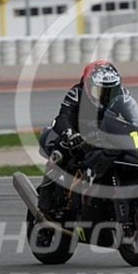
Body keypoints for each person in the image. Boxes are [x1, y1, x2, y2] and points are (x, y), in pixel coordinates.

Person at [37, 59, 128, 213]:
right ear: (88, 86)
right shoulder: (77, 93)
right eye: (101, 91)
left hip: (105, 138)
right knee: (60, 152)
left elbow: (132, 117)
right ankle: (45, 196)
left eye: (111, 91)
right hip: (77, 137)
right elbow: (62, 117)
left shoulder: (123, 95)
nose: (106, 97)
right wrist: (70, 134)